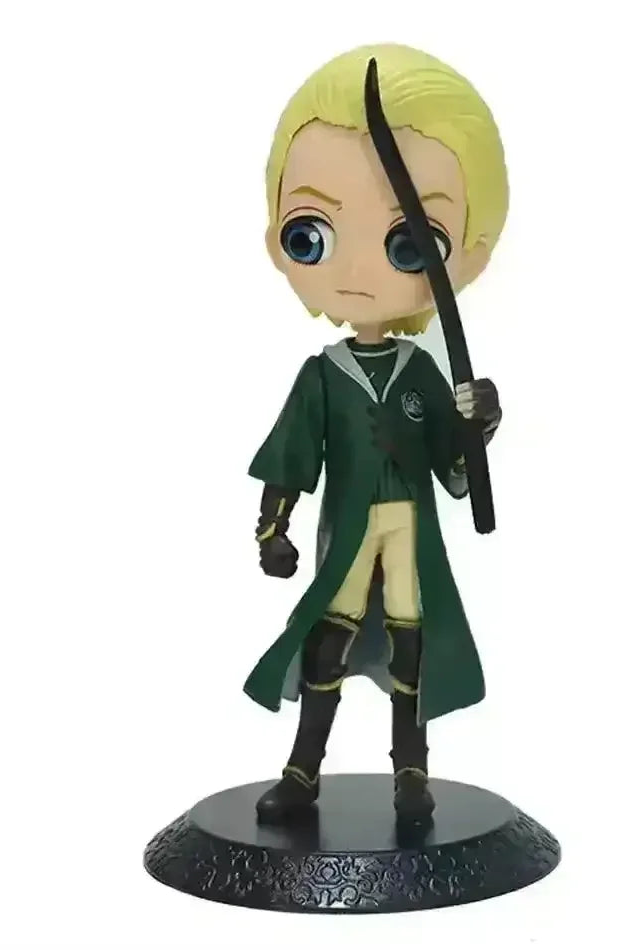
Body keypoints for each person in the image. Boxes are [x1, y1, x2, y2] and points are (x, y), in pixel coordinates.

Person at [243, 43, 509, 823]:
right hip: (352, 526)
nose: (360, 270)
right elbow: (292, 456)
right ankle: (303, 772)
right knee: (327, 640)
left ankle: (411, 771)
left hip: (409, 528)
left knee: (410, 645)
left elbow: (452, 468)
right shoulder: (324, 375)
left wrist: (476, 429)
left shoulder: (421, 372)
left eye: (407, 244)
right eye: (313, 234)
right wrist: (272, 528)